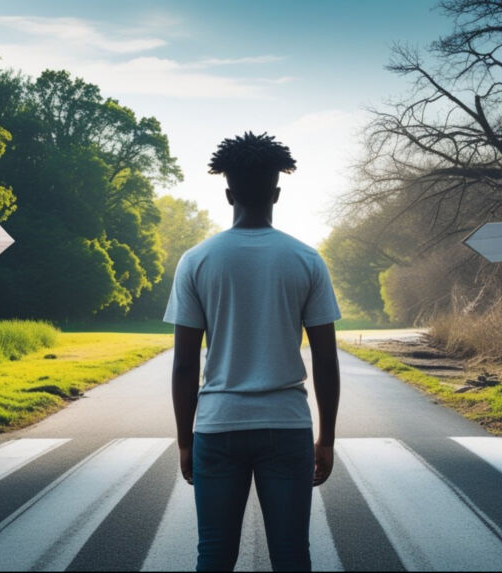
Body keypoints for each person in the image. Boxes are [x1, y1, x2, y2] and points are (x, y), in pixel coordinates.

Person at [164, 131, 342, 572]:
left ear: (229, 194)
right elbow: (325, 359)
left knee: (215, 555)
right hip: (287, 425)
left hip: (218, 427)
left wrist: (186, 441)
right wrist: (327, 438)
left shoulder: (196, 260)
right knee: (291, 555)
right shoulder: (306, 259)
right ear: (276, 194)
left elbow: (186, 364)